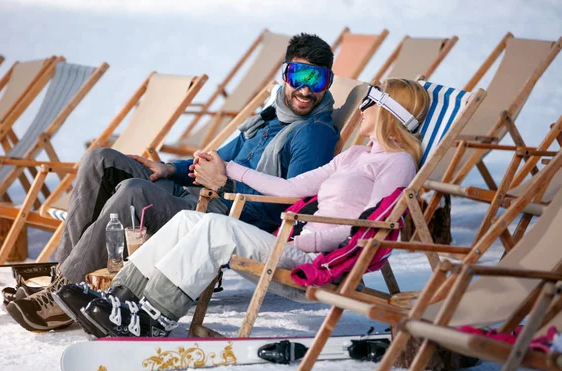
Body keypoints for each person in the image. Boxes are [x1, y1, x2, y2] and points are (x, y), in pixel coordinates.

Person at [6, 33, 341, 332]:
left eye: (318, 79)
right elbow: (215, 160)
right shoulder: (266, 118)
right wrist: (169, 169)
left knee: (134, 193)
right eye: (299, 75)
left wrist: (222, 184)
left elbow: (288, 204)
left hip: (227, 217)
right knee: (102, 160)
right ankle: (64, 279)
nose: (306, 89)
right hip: (199, 194)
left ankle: (61, 295)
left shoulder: (313, 133)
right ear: (285, 75)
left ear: (328, 82)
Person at [56, 78, 431, 338]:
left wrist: (312, 240)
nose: (362, 109)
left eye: (370, 103)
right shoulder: (355, 155)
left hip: (314, 259)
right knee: (189, 219)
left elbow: (372, 227)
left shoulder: (397, 163)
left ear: (386, 113)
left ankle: (154, 316)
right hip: (294, 241)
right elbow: (289, 188)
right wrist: (229, 168)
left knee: (212, 228)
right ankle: (123, 297)